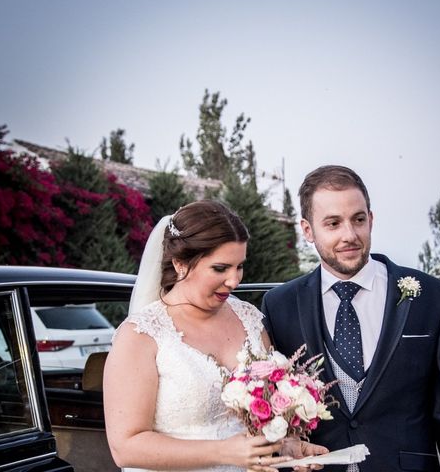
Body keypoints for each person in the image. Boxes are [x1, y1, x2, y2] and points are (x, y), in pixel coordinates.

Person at [262, 166, 440, 472]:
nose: (350, 235)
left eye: (358, 219)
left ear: (371, 218)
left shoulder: (432, 297)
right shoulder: (279, 305)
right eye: (333, 223)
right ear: (307, 230)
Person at [104, 200, 327, 472]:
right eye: (220, 269)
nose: (234, 281)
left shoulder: (249, 318)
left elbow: (264, 414)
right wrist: (224, 452)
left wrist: (288, 445)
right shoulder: (141, 335)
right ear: (180, 264)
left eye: (239, 267)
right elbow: (125, 447)